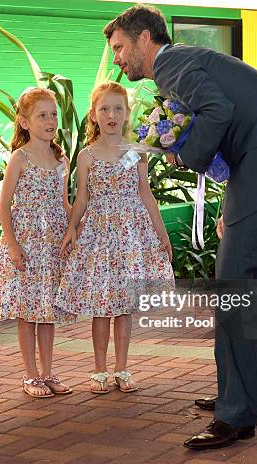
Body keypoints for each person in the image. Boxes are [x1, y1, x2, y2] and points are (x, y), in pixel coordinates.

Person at [104, 4, 257, 449]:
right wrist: (228, 198)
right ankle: (245, 395)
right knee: (246, 286)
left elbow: (217, 111)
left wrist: (185, 155)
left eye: (119, 48)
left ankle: (236, 416)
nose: (116, 58)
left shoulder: (171, 64)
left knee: (233, 288)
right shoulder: (186, 60)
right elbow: (228, 118)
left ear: (145, 39)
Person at [56, 82, 174, 394]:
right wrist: (71, 229)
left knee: (124, 306)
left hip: (131, 238)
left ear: (126, 114)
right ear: (93, 115)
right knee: (101, 305)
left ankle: (122, 368)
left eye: (118, 108)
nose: (111, 114)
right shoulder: (87, 156)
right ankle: (99, 370)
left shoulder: (136, 154)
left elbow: (146, 195)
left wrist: (162, 234)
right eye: (104, 108)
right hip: (99, 238)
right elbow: (80, 198)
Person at [0, 88, 76, 398]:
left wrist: (73, 228)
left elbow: (64, 202)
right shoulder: (19, 158)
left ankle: (49, 372)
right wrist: (13, 246)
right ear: (24, 122)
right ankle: (30, 375)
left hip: (52, 245)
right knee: (27, 312)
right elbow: (3, 205)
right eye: (42, 115)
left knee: (46, 311)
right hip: (25, 243)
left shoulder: (60, 157)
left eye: (53, 115)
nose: (50, 121)